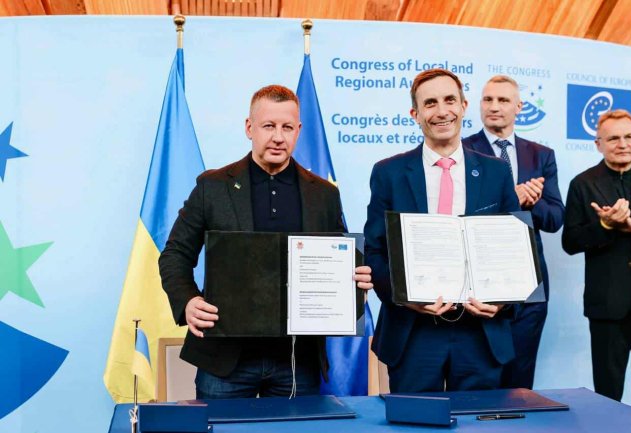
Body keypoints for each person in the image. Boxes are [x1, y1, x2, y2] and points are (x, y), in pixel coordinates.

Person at [158, 84, 373, 399]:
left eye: (287, 127)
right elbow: (174, 255)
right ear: (250, 128)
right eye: (269, 126)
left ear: (298, 131)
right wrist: (188, 301)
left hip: (298, 361)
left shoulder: (324, 194)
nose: (278, 137)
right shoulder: (212, 187)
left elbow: (339, 261)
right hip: (225, 360)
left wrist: (355, 278)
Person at [364, 68, 520, 392]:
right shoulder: (388, 173)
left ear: (463, 106)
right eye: (430, 103)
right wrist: (405, 299)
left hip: (480, 333)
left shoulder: (497, 172)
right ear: (415, 114)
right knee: (414, 419)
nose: (441, 111)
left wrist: (502, 301)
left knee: (478, 420)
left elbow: (515, 249)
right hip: (414, 332)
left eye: (449, 100)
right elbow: (375, 251)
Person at [463, 75, 565, 389]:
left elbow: (555, 218)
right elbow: (460, 214)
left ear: (519, 107)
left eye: (503, 100)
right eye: (488, 99)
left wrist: (531, 202)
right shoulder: (462, 149)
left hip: (529, 284)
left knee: (521, 382)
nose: (494, 107)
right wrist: (511, 198)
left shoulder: (541, 155)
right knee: (479, 379)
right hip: (478, 281)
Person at [562, 109, 631, 411]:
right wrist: (605, 225)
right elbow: (570, 242)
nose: (622, 144)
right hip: (607, 306)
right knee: (607, 396)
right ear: (598, 144)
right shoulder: (583, 183)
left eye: (629, 137)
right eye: (613, 138)